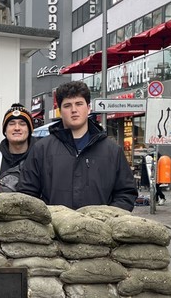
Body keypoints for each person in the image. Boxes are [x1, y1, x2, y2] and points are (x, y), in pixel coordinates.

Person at [17, 80, 137, 210]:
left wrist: (107, 217)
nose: (74, 110)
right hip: (54, 222)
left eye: (79, 104)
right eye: (67, 105)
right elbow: (27, 194)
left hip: (100, 223)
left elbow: (126, 193)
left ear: (88, 108)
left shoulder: (112, 151)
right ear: (60, 111)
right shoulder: (42, 149)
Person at [0, 104, 34, 193]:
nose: (17, 128)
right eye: (12, 124)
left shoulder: (41, 159)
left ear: (29, 130)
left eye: (22, 124)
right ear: (5, 131)